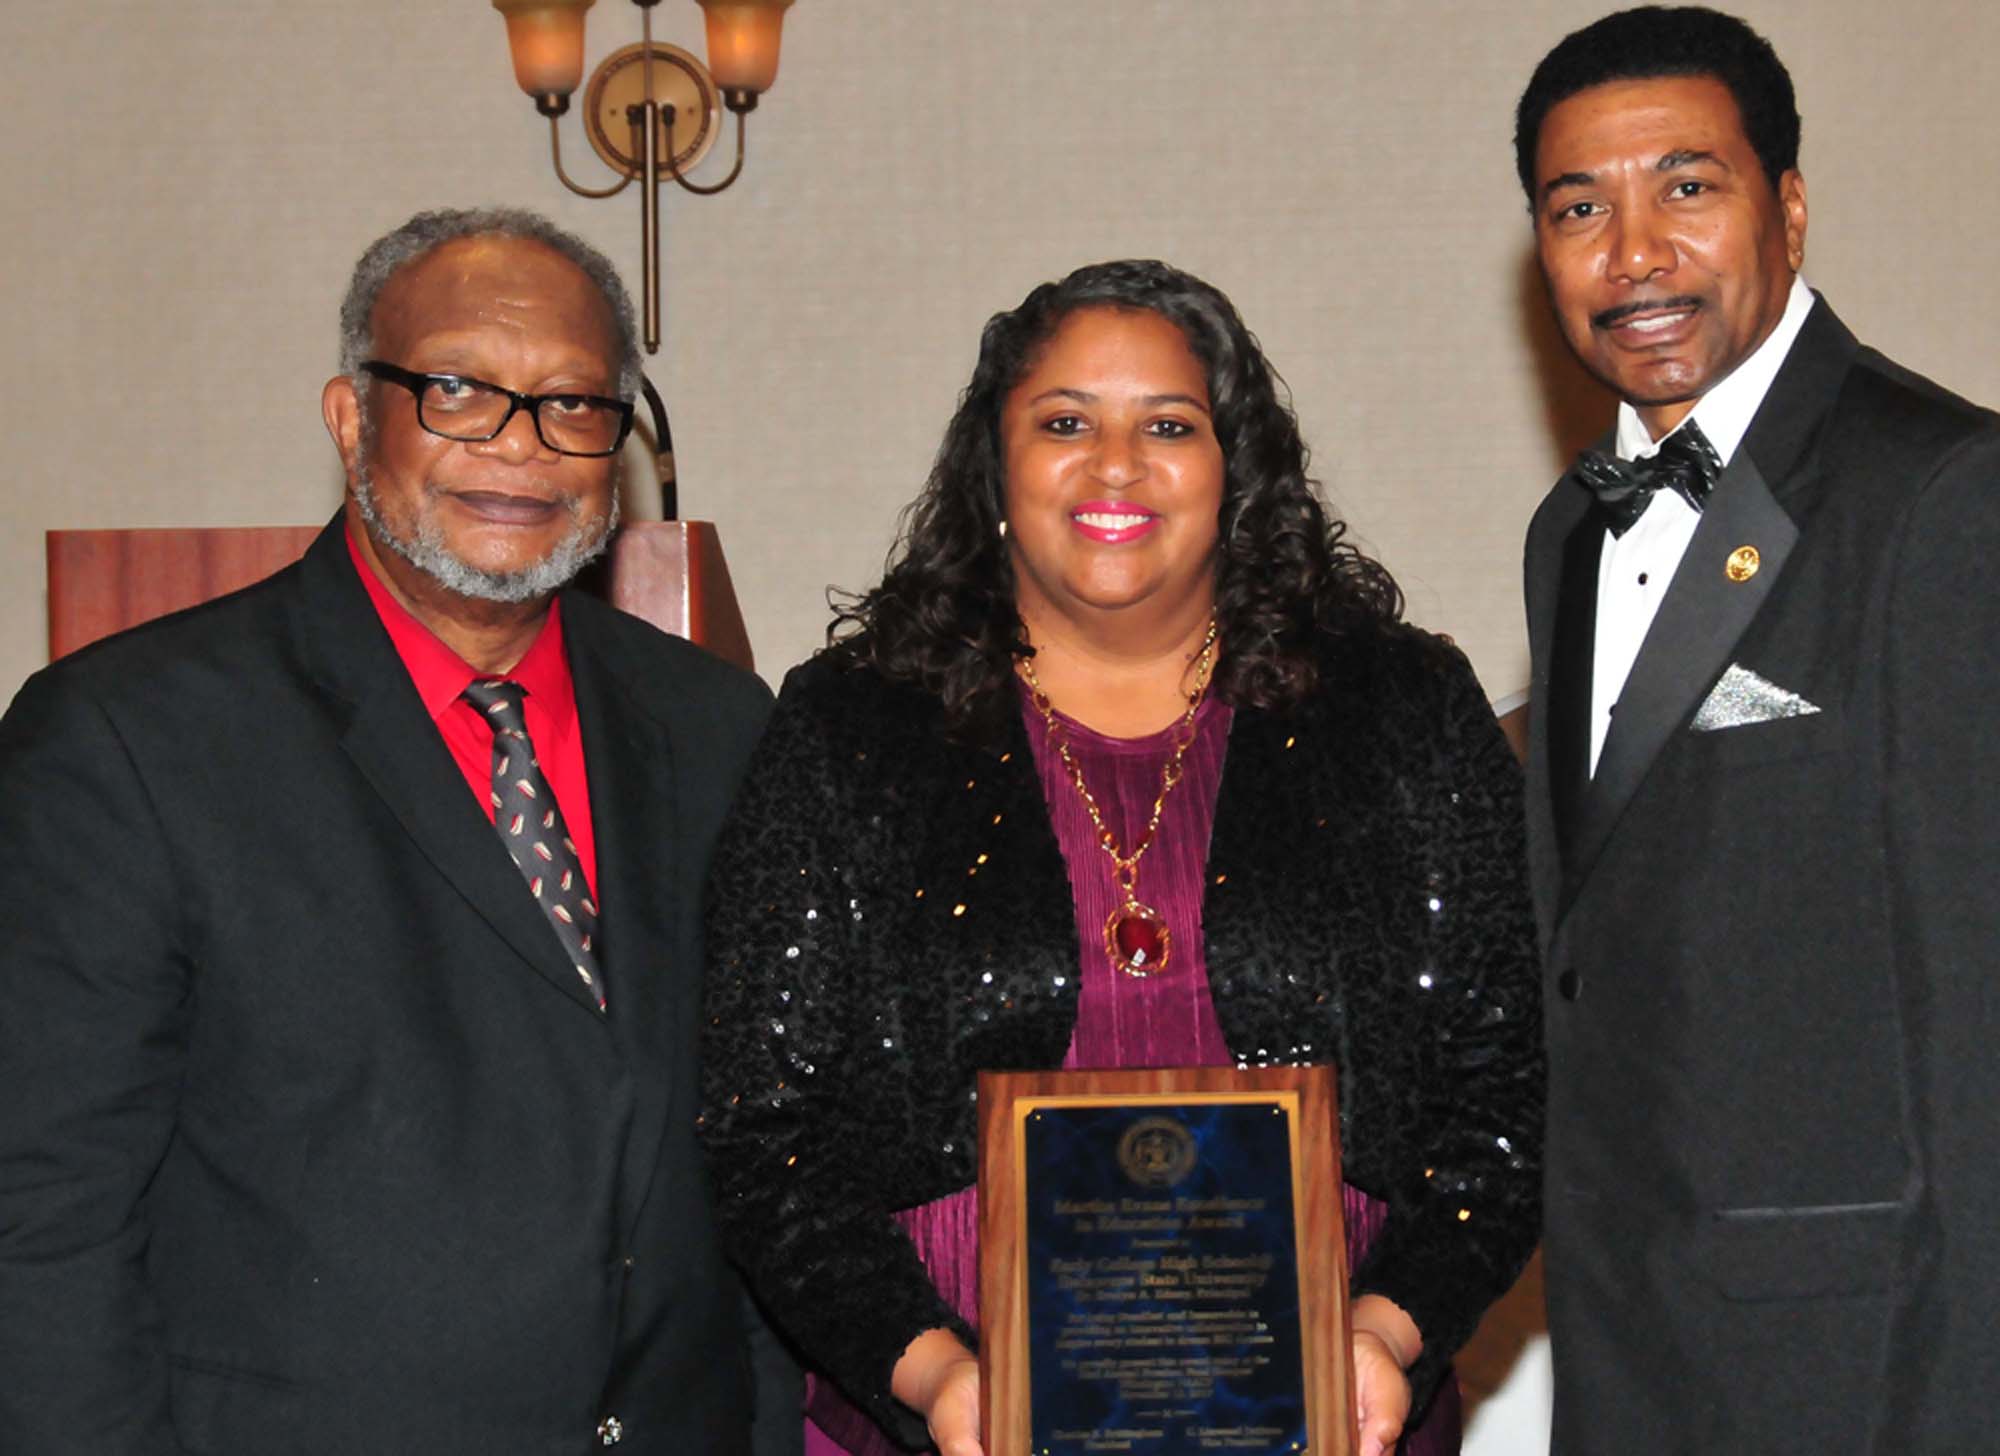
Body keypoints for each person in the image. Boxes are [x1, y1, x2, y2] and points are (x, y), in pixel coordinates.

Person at [699, 260, 1542, 1456]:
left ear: (1233, 470)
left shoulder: (1400, 709)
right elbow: (760, 1123)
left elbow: (1504, 1089)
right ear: (994, 466)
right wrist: (933, 1372)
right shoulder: (850, 727)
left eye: (1166, 424)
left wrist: (1387, 1330)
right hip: (945, 1418)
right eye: (1062, 422)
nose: (1113, 464)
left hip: (1327, 1413)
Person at [0, 207, 792, 1454]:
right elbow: (42, 1216)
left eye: (572, 404)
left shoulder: (714, 723)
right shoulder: (124, 741)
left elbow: (744, 1148)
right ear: (348, 415)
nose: (518, 448)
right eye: (458, 389)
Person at [1514, 9, 2000, 1452]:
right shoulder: (1568, 532)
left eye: (1686, 187)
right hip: (1625, 1345)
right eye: (1578, 207)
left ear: (1787, 207)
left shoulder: (1945, 498)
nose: (1633, 253)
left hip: (1865, 1366)